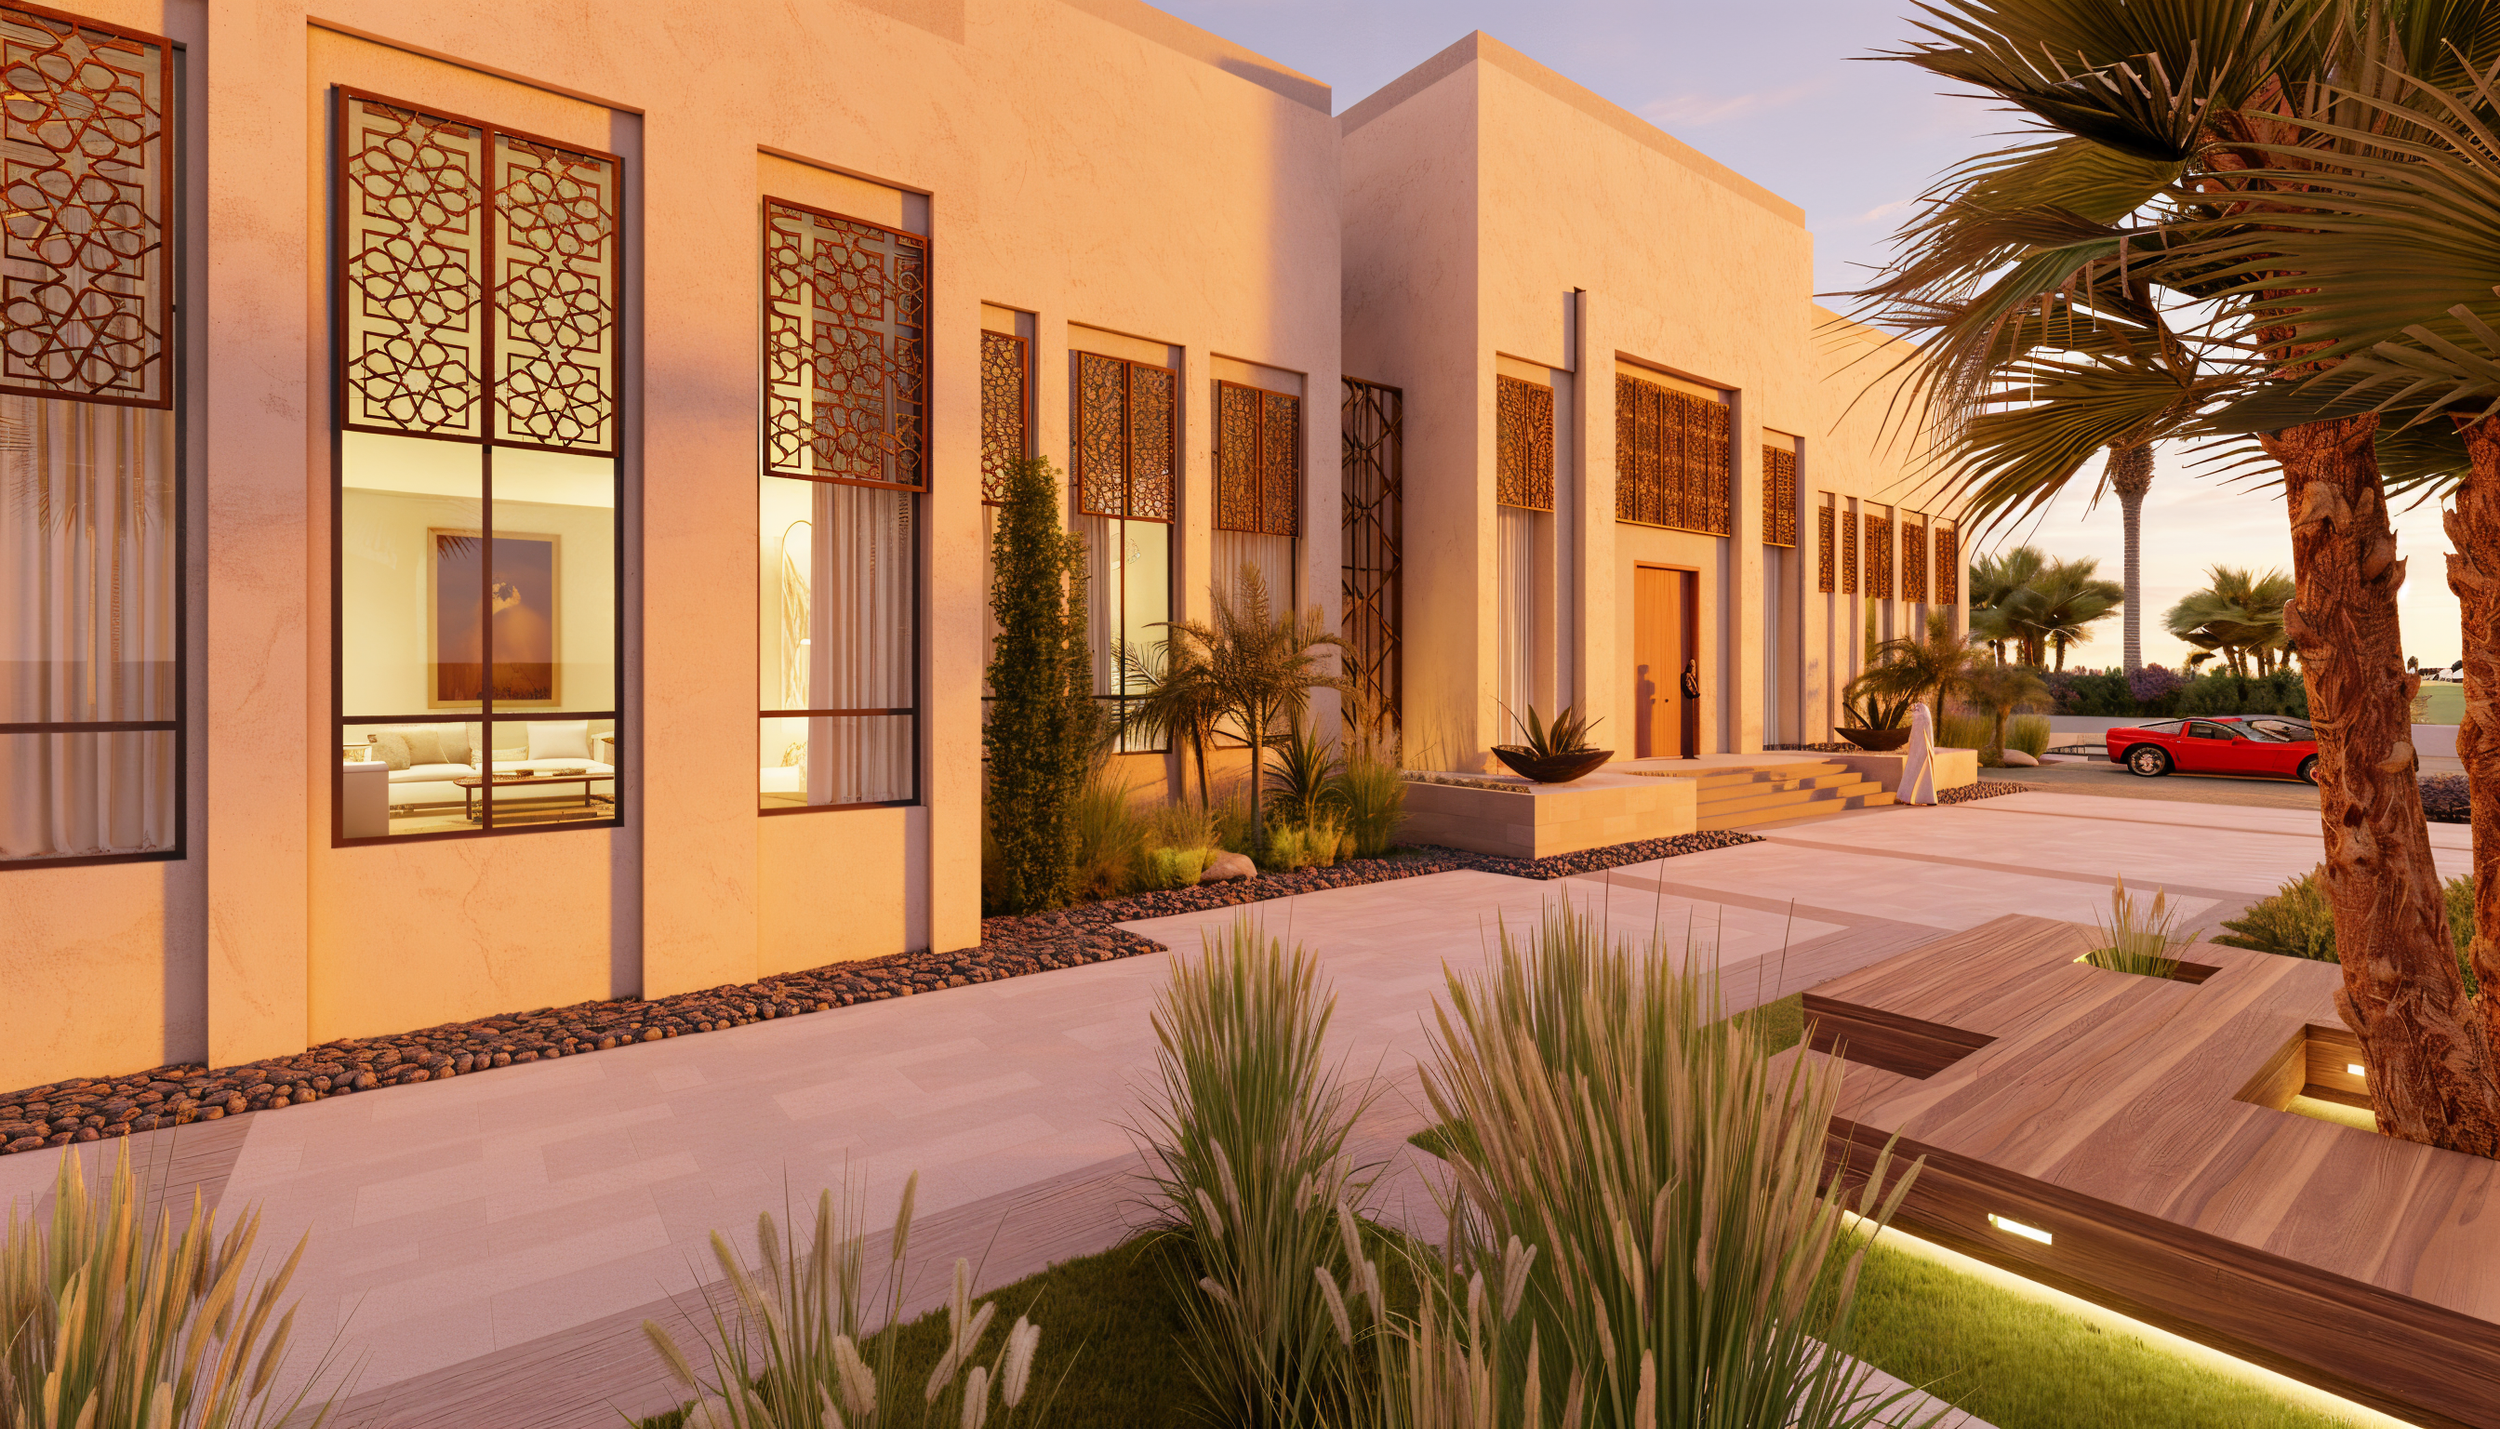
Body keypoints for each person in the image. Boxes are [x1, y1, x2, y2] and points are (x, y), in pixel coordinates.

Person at [1900, 700, 1939, 806]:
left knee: (1918, 769)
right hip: (1920, 748)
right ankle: (1914, 797)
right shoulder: (1923, 712)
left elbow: (1917, 731)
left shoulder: (1921, 713)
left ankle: (1911, 797)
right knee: (1918, 769)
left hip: (1921, 748)